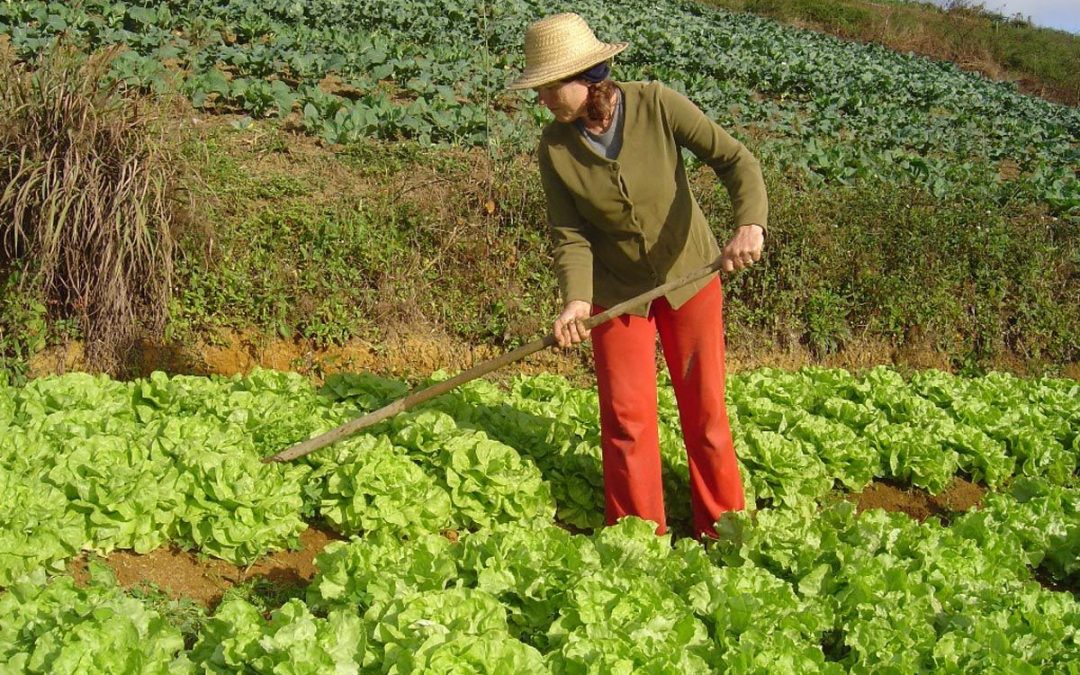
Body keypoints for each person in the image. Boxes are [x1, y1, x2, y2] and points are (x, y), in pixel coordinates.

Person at [508, 13, 768, 539]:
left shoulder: (655, 103)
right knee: (626, 419)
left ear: (586, 76)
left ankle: (723, 529)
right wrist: (577, 302)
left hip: (691, 275)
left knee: (705, 412)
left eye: (549, 87)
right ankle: (637, 540)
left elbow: (736, 160)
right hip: (615, 291)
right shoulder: (555, 146)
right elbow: (569, 232)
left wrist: (750, 224)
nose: (543, 100)